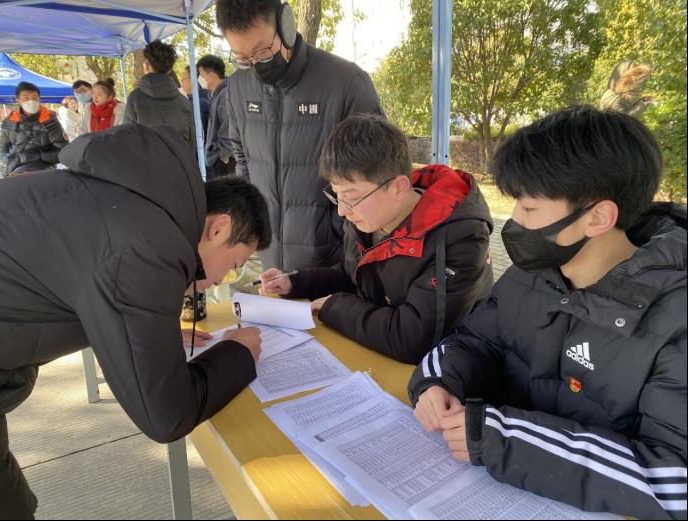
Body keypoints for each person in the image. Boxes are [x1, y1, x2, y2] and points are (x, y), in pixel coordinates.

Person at [409, 106, 687, 520]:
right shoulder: (533, 274)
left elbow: (675, 480)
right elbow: (471, 341)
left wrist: (505, 442)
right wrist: (438, 382)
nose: (514, 221)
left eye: (529, 208)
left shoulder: (676, 318)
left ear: (597, 217)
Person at [0, 124, 271, 519]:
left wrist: (153, 330)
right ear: (219, 227)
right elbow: (166, 416)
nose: (222, 279)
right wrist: (237, 354)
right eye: (234, 264)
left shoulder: (136, 206)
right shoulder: (149, 247)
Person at [260, 115, 494, 364]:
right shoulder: (366, 217)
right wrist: (296, 281)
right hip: (379, 354)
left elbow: (414, 337)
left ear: (398, 188)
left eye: (351, 197)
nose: (342, 210)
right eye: (336, 195)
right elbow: (354, 275)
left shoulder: (461, 237)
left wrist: (334, 307)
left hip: (449, 369)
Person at [216, 0, 384, 270]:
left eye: (263, 51)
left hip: (335, 265)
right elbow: (242, 155)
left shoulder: (345, 83)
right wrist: (255, 219)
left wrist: (337, 231)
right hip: (270, 262)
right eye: (243, 59)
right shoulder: (237, 87)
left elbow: (374, 173)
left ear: (286, 26)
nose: (256, 65)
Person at [124, 40, 196, 153]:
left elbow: (128, 138)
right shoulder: (183, 101)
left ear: (146, 65)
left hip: (147, 162)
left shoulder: (134, 98)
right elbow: (192, 141)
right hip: (179, 161)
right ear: (170, 69)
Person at [0, 81, 68, 177]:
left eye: (34, 98)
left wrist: (37, 156)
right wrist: (10, 164)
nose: (31, 101)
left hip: (44, 170)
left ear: (39, 99)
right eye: (26, 98)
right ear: (18, 100)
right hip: (15, 171)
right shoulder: (10, 122)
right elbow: (2, 148)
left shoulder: (50, 121)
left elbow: (63, 150)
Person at [197, 54, 235, 178]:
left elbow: (228, 128)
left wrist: (223, 156)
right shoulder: (216, 94)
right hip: (219, 159)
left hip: (225, 161)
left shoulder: (225, 94)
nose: (199, 79)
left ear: (212, 75)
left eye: (201, 75)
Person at [182, 65, 211, 143]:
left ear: (193, 80)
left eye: (184, 78)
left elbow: (200, 136)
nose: (181, 81)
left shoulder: (198, 104)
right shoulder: (202, 99)